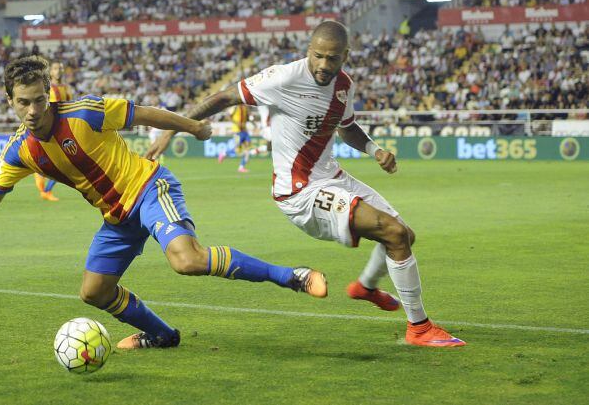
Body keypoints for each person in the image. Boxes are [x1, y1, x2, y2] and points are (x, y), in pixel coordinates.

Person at [0, 55, 327, 350]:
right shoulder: (19, 151)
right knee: (94, 292)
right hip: (117, 218)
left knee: (187, 260)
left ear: (49, 95)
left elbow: (144, 115)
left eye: (40, 100)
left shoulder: (85, 113)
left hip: (148, 188)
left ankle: (292, 276)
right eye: (24, 102)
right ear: (10, 101)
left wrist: (192, 127)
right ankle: (161, 336)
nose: (33, 110)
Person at [147, 21, 465, 347]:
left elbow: (347, 127)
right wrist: (174, 129)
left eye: (332, 58)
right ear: (308, 51)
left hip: (333, 178)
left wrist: (374, 149)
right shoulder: (283, 77)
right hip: (300, 193)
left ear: (346, 56)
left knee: (403, 236)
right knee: (394, 234)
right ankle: (420, 328)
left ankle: (366, 287)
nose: (324, 65)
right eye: (318, 56)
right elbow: (224, 97)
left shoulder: (344, 85)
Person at [34, 61, 72, 201]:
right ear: (51, 72)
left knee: (64, 164)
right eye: (56, 68)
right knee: (62, 163)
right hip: (51, 129)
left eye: (61, 68)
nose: (59, 70)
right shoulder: (47, 88)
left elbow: (69, 105)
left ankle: (42, 179)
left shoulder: (66, 88)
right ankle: (44, 186)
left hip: (64, 127)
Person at [218, 103, 252, 173]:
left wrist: (252, 120)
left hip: (245, 130)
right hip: (237, 131)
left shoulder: (245, 107)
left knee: (248, 149)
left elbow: (247, 117)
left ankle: (241, 167)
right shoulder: (235, 107)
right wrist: (236, 123)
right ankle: (224, 153)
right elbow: (228, 115)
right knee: (237, 150)